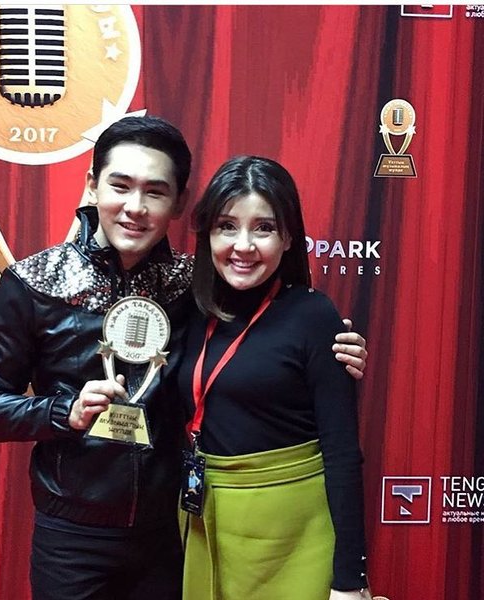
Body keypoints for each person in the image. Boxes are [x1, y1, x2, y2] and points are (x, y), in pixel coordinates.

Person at [0, 116, 368, 600]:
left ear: (179, 203)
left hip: (171, 529)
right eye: (120, 186)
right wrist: (63, 411)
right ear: (93, 185)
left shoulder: (194, 286)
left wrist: (335, 346)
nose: (135, 207)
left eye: (155, 192)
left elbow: (269, 329)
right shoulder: (33, 283)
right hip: (72, 535)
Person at [177, 156, 371, 600]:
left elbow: (342, 455)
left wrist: (350, 580)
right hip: (204, 522)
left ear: (287, 238)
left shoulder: (315, 316)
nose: (243, 246)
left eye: (263, 228)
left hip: (294, 535)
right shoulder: (190, 310)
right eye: (227, 226)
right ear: (207, 234)